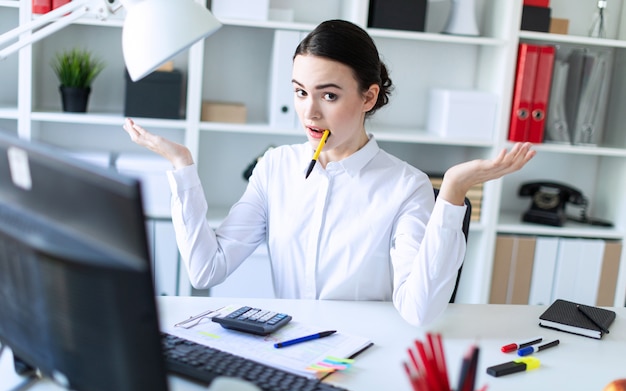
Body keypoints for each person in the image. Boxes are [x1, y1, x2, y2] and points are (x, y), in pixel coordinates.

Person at [123, 19, 535, 326]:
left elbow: (420, 310)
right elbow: (205, 270)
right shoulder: (276, 168)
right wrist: (182, 168)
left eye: (330, 95)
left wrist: (454, 192)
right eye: (301, 92)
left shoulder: (407, 187)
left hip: (367, 356)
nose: (310, 112)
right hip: (288, 348)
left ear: (368, 96)